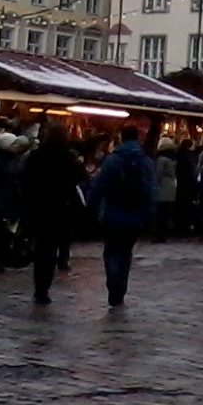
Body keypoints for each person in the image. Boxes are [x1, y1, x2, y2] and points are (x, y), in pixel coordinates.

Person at [85, 125, 156, 307]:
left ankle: (113, 283)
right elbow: (150, 190)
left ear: (121, 138)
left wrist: (91, 205)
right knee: (126, 252)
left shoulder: (112, 160)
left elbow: (100, 185)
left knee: (111, 251)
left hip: (113, 213)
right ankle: (121, 288)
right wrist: (149, 214)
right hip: (135, 215)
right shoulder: (145, 161)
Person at [19, 126, 86, 305]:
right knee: (52, 249)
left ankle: (39, 287)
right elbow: (80, 176)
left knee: (42, 248)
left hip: (38, 207)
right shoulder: (67, 158)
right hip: (60, 209)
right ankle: (44, 288)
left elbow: (25, 181)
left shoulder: (35, 157)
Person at [0, 132, 30, 273]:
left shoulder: (6, 159)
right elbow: (12, 173)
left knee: (6, 234)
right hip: (3, 201)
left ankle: (3, 259)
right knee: (2, 234)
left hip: (8, 201)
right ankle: (1, 260)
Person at [153, 135, 179, 241]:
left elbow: (158, 174)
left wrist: (154, 187)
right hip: (171, 186)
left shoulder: (161, 159)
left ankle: (159, 235)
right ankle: (165, 233)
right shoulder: (173, 159)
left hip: (162, 187)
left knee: (160, 212)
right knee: (167, 211)